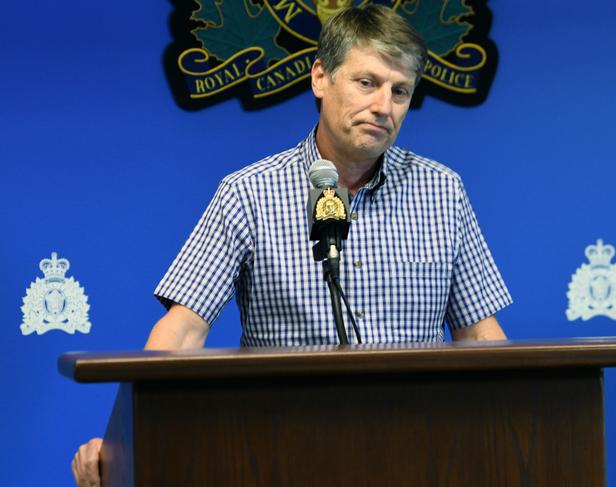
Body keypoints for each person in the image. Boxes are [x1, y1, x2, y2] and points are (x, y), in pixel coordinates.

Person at [71, 5, 512, 486]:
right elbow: (182, 332)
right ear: (321, 77)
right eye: (367, 82)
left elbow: (479, 336)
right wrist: (123, 443)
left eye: (400, 91)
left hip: (421, 456)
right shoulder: (248, 193)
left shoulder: (442, 192)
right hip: (280, 456)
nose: (384, 106)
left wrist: (513, 433)